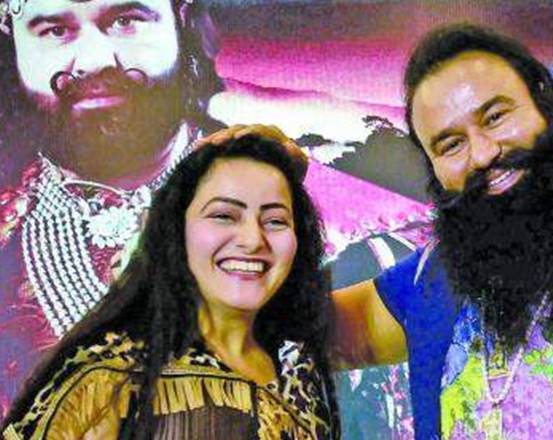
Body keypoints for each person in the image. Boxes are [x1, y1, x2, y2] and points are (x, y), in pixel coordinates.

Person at [293, 24, 553, 439]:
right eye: (451, 144)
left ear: (544, 105)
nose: (483, 154)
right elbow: (292, 329)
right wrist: (263, 177)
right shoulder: (431, 280)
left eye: (496, 117)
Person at [1, 134, 339, 439]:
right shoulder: (108, 376)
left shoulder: (300, 367)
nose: (252, 240)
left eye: (276, 221)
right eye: (224, 216)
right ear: (176, 232)